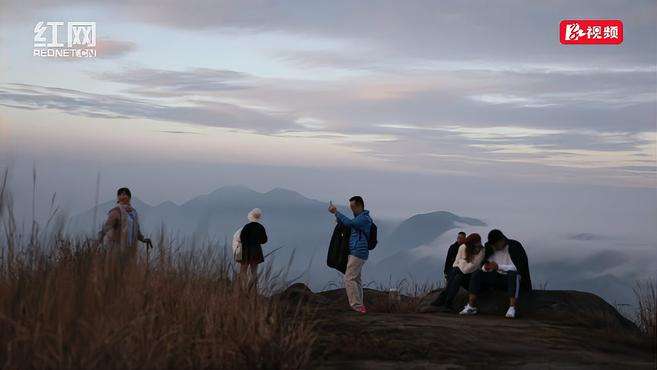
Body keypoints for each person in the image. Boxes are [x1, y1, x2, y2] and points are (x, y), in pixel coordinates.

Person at [460, 229, 532, 319]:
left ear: (502, 241)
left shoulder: (514, 246)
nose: (495, 247)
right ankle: (471, 306)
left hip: (510, 279)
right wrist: (485, 268)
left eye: (496, 244)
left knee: (513, 275)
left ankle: (512, 307)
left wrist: (499, 267)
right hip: (496, 277)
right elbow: (484, 263)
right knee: (477, 273)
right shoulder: (490, 248)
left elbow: (519, 269)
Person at [328, 196, 372, 314]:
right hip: (357, 252)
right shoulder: (360, 218)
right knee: (356, 279)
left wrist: (336, 212)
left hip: (358, 252)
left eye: (353, 207)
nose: (352, 209)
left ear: (360, 206)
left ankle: (356, 306)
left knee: (349, 278)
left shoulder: (364, 218)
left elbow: (350, 223)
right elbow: (348, 225)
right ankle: (360, 306)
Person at [431, 233, 484, 311]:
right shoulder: (462, 247)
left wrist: (462, 264)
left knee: (456, 272)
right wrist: (463, 264)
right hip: (460, 273)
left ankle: (442, 298)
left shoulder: (481, 251)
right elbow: (456, 263)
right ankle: (448, 302)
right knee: (457, 277)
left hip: (471, 277)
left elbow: (473, 266)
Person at [237, 208, 268, 287]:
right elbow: (264, 240)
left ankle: (244, 288)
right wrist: (257, 241)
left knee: (243, 271)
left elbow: (241, 238)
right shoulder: (261, 227)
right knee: (254, 272)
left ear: (251, 216)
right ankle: (249, 287)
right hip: (256, 251)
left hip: (246, 251)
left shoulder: (247, 227)